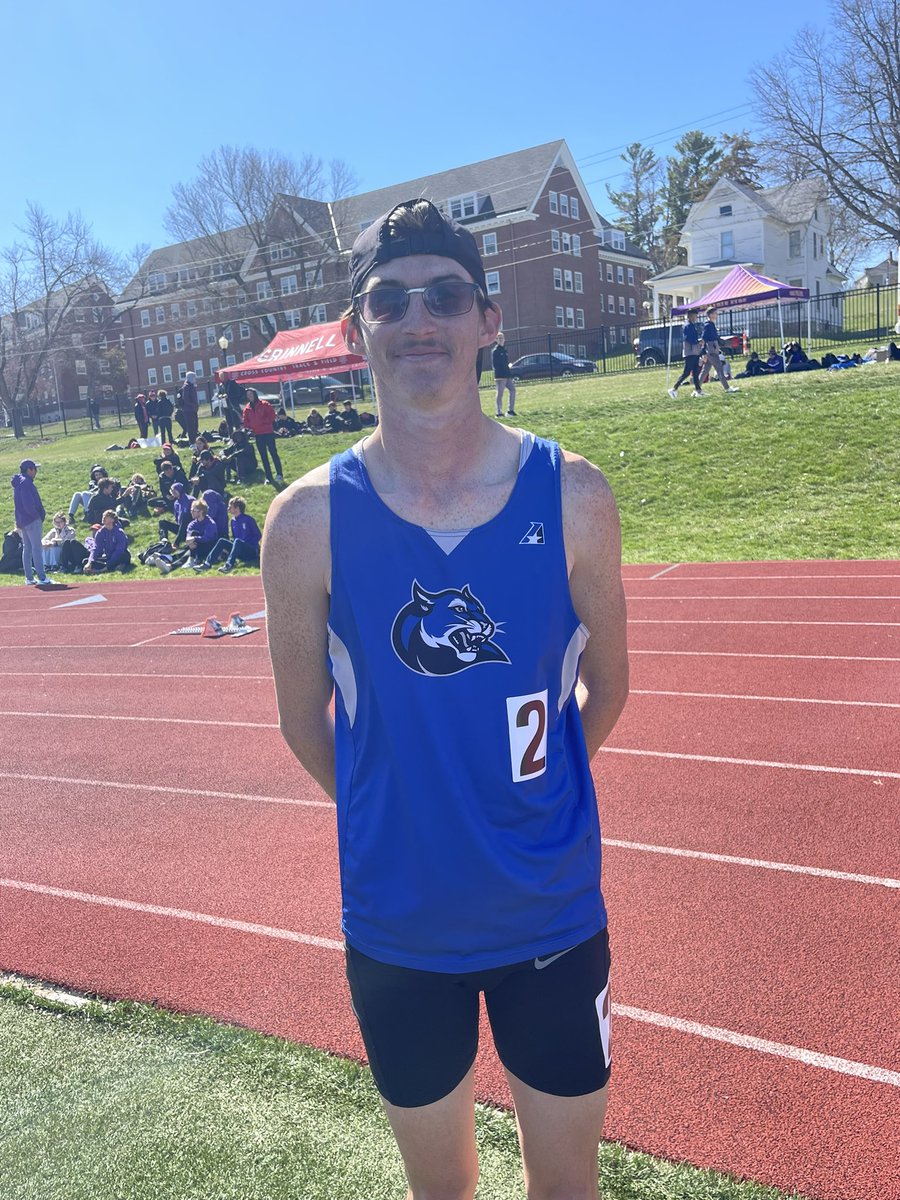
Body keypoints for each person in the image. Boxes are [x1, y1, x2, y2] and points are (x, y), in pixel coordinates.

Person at [261, 198, 629, 1200]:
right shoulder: (304, 524)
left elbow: (611, 686)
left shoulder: (575, 496)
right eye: (389, 299)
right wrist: (401, 811)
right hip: (398, 926)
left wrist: (525, 798)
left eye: (446, 295)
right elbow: (303, 720)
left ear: (487, 320)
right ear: (355, 329)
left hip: (550, 914)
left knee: (566, 1190)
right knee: (443, 1196)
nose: (418, 316)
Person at [11, 459, 53, 586]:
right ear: (29, 469)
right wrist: (37, 516)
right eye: (35, 469)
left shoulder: (19, 483)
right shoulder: (26, 483)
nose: (36, 471)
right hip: (31, 520)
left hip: (23, 520)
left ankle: (29, 578)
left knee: (27, 548)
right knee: (36, 548)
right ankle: (42, 577)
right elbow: (28, 504)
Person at [193, 496, 262, 573]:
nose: (228, 508)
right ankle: (207, 564)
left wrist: (247, 543)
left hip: (250, 551)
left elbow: (258, 535)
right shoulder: (233, 521)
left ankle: (229, 565)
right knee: (222, 541)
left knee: (237, 541)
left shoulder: (248, 519)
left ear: (237, 508)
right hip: (240, 549)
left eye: (230, 506)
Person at [242, 387, 284, 484]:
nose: (249, 396)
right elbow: (245, 421)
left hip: (268, 432)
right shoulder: (247, 409)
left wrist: (263, 422)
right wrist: (252, 426)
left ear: (255, 394)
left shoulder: (264, 404)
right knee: (263, 456)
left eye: (251, 394)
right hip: (258, 434)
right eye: (248, 395)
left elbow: (272, 416)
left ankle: (279, 474)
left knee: (273, 454)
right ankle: (268, 477)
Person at [699, 309, 739, 394]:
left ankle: (697, 390)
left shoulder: (711, 325)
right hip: (711, 351)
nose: (716, 315)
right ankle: (727, 388)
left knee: (705, 370)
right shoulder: (708, 325)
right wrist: (703, 352)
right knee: (719, 369)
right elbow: (704, 339)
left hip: (711, 350)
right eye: (715, 313)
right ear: (710, 315)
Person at [667, 309, 703, 399]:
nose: (696, 318)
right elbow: (688, 339)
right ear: (690, 316)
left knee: (695, 372)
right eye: (695, 316)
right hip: (690, 352)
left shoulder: (690, 325)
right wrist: (698, 342)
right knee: (687, 372)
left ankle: (698, 390)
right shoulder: (688, 326)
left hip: (693, 352)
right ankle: (674, 388)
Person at [183, 498, 218, 566]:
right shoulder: (192, 524)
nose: (191, 512)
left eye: (194, 510)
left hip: (209, 546)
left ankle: (193, 560)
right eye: (191, 510)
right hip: (195, 546)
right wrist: (191, 543)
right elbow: (188, 538)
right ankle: (171, 565)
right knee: (186, 548)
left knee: (194, 536)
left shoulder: (210, 523)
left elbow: (207, 538)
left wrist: (195, 538)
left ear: (201, 512)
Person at [158, 481, 192, 546]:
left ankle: (177, 543)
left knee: (184, 520)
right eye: (171, 490)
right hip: (181, 529)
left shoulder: (190, 500)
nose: (172, 492)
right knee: (162, 522)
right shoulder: (176, 503)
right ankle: (163, 542)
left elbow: (185, 521)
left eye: (175, 490)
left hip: (190, 530)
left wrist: (176, 542)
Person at [491, 331, 517, 416]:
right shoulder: (495, 351)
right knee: (500, 393)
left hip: (507, 375)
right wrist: (500, 373)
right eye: (499, 338)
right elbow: (495, 365)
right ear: (496, 340)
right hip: (500, 376)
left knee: (513, 390)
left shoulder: (505, 350)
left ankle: (510, 411)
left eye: (502, 338)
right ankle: (498, 413)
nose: (501, 340)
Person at [181, 371, 200, 442]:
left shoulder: (192, 386)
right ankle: (192, 442)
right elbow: (186, 399)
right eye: (194, 377)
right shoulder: (186, 386)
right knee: (191, 427)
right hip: (188, 410)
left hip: (193, 410)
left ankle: (194, 440)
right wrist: (193, 405)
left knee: (195, 426)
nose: (195, 379)